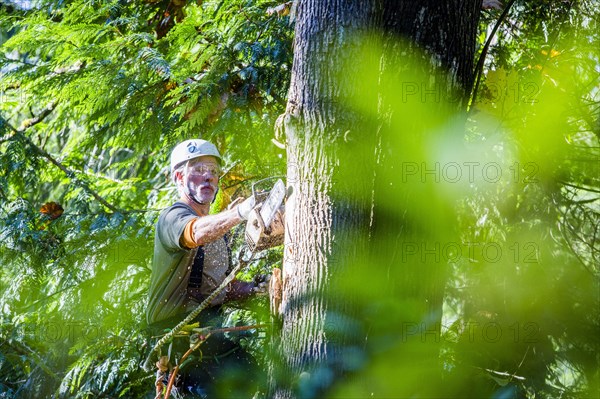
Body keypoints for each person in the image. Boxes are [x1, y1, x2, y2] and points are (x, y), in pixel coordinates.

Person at [146, 138, 264, 398]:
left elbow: (219, 287)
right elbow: (196, 233)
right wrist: (241, 213)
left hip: (211, 337)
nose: (208, 177)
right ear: (178, 177)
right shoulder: (172, 218)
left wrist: (255, 289)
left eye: (213, 171)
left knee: (258, 380)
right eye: (198, 170)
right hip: (180, 344)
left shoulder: (217, 231)